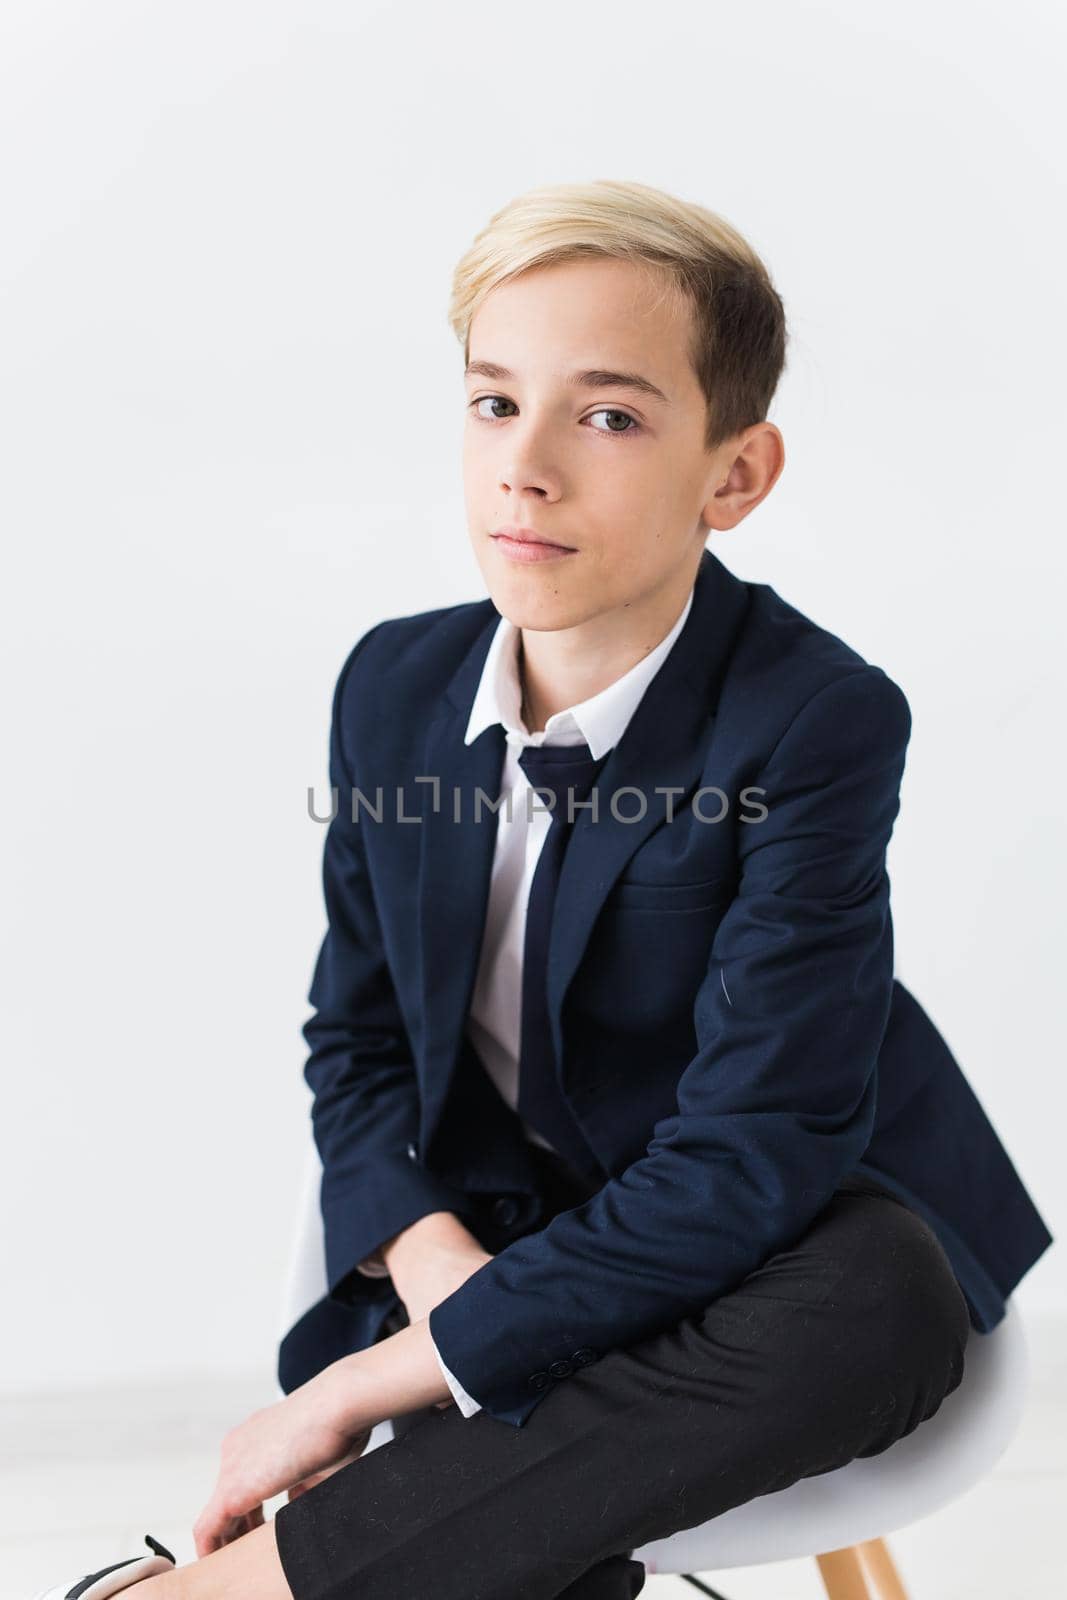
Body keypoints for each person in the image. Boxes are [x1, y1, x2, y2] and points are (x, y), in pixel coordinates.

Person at [36, 179, 1052, 1600]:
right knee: (514, 1513)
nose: (526, 468)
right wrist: (439, 1261)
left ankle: (215, 1593)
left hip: (764, 1216)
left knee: (877, 1305)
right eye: (495, 403)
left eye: (612, 416)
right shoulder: (393, 686)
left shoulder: (815, 719)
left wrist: (392, 1375)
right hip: (504, 1209)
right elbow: (362, 1042)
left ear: (735, 476)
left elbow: (754, 1158)